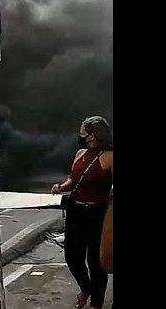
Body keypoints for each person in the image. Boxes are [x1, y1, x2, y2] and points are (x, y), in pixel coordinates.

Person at [51, 116, 113, 309]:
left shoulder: (110, 156)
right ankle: (85, 287)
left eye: (82, 133)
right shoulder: (80, 153)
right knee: (72, 256)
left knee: (95, 261)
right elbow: (73, 178)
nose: (80, 136)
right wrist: (61, 187)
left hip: (98, 213)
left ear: (92, 135)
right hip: (76, 210)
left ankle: (96, 302)